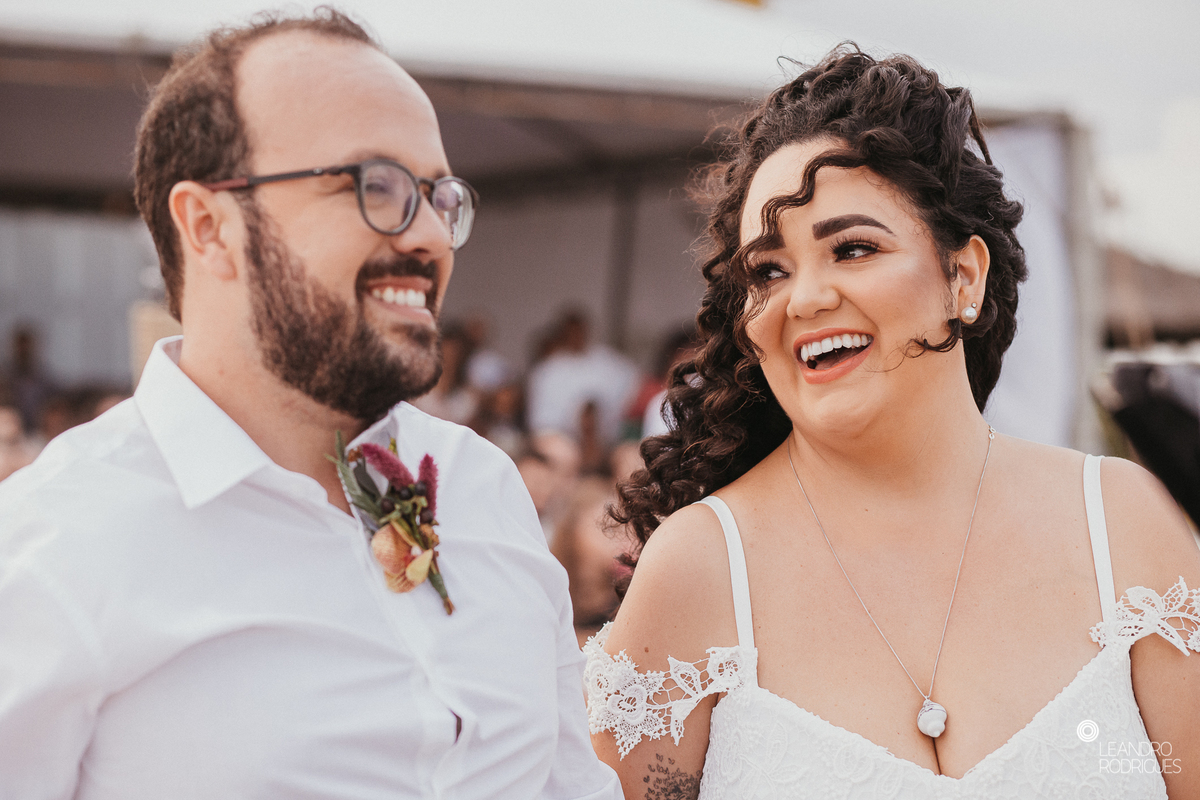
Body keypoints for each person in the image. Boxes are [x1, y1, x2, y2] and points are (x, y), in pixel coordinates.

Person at [0, 11, 620, 799]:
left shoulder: (483, 487)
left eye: (439, 196)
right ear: (210, 227)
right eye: (377, 187)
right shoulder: (48, 552)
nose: (431, 234)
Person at [585, 47, 1200, 799]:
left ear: (962, 276)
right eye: (769, 271)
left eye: (853, 248)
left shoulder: (1124, 526)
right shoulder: (700, 570)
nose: (804, 299)